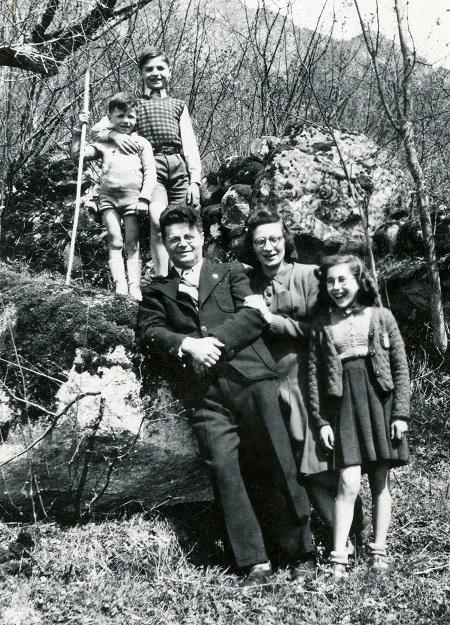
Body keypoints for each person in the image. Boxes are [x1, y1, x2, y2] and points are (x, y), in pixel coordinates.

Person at [136, 205, 317, 587]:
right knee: (226, 472)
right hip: (205, 397)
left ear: (201, 237)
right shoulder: (157, 290)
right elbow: (149, 330)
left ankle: (300, 551)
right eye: (174, 239)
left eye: (188, 236)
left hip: (253, 380)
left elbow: (253, 317)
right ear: (165, 246)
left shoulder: (232, 272)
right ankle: (255, 562)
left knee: (278, 462)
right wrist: (186, 345)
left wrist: (212, 344)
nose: (182, 243)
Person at [241, 208, 365, 548]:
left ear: (285, 240)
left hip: (308, 379)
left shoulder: (309, 276)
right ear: (251, 246)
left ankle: (351, 532)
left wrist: (272, 321)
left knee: (325, 462)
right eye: (260, 241)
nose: (269, 247)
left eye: (275, 239)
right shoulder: (247, 282)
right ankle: (343, 540)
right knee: (299, 468)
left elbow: (323, 329)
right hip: (270, 382)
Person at [308, 254, 410, 582]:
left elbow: (400, 368)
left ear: (358, 281)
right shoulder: (321, 325)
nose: (337, 287)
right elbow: (313, 377)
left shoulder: (382, 316)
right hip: (343, 409)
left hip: (380, 403)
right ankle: (339, 560)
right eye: (331, 281)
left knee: (381, 480)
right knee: (348, 481)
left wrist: (401, 413)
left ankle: (378, 552)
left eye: (343, 280)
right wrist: (321, 421)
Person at [91, 47, 201, 276]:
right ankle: (163, 280)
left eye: (160, 68)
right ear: (141, 73)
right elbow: (99, 129)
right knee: (158, 220)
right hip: (152, 167)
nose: (155, 73)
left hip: (179, 166)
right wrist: (115, 136)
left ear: (169, 72)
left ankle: (185, 278)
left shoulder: (179, 105)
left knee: (183, 222)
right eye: (149, 69)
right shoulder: (134, 105)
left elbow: (190, 145)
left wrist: (195, 181)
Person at [71, 91, 156, 301]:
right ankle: (120, 285)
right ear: (110, 117)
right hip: (108, 199)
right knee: (115, 240)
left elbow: (151, 172)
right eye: (120, 116)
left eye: (131, 117)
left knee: (132, 243)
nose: (126, 121)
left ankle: (134, 287)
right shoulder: (105, 142)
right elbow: (78, 156)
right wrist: (76, 131)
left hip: (133, 200)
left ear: (137, 119)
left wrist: (145, 198)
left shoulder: (142, 143)